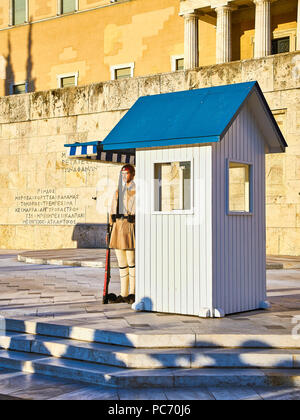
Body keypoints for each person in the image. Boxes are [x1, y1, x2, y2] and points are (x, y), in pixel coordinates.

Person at [107, 164, 136, 304]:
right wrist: (110, 224)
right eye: (123, 174)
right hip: (118, 227)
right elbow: (112, 208)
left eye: (127, 173)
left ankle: (133, 292)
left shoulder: (137, 190)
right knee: (122, 263)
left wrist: (134, 216)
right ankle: (124, 293)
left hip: (129, 226)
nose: (125, 176)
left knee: (132, 262)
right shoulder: (118, 190)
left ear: (132, 174)